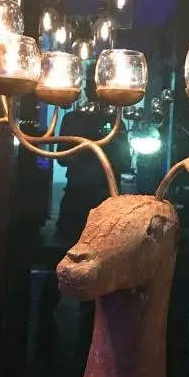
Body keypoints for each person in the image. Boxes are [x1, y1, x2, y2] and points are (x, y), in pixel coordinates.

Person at [55, 72, 132, 247]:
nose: (95, 93)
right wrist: (84, 149)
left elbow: (125, 162)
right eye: (92, 87)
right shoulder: (73, 119)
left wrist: (110, 147)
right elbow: (62, 158)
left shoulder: (114, 122)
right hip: (78, 195)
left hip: (105, 197)